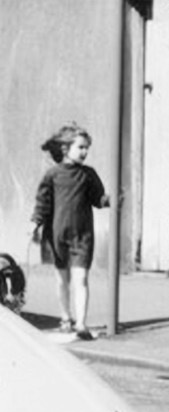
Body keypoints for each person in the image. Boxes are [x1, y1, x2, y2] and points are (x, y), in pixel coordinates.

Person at [28, 124, 107, 342]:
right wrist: (35, 223)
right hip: (57, 236)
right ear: (65, 148)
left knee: (81, 279)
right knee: (62, 280)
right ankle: (65, 317)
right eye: (80, 147)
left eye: (87, 148)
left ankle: (81, 323)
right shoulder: (52, 175)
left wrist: (111, 200)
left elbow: (98, 199)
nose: (85, 152)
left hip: (82, 237)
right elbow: (43, 203)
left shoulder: (88, 175)